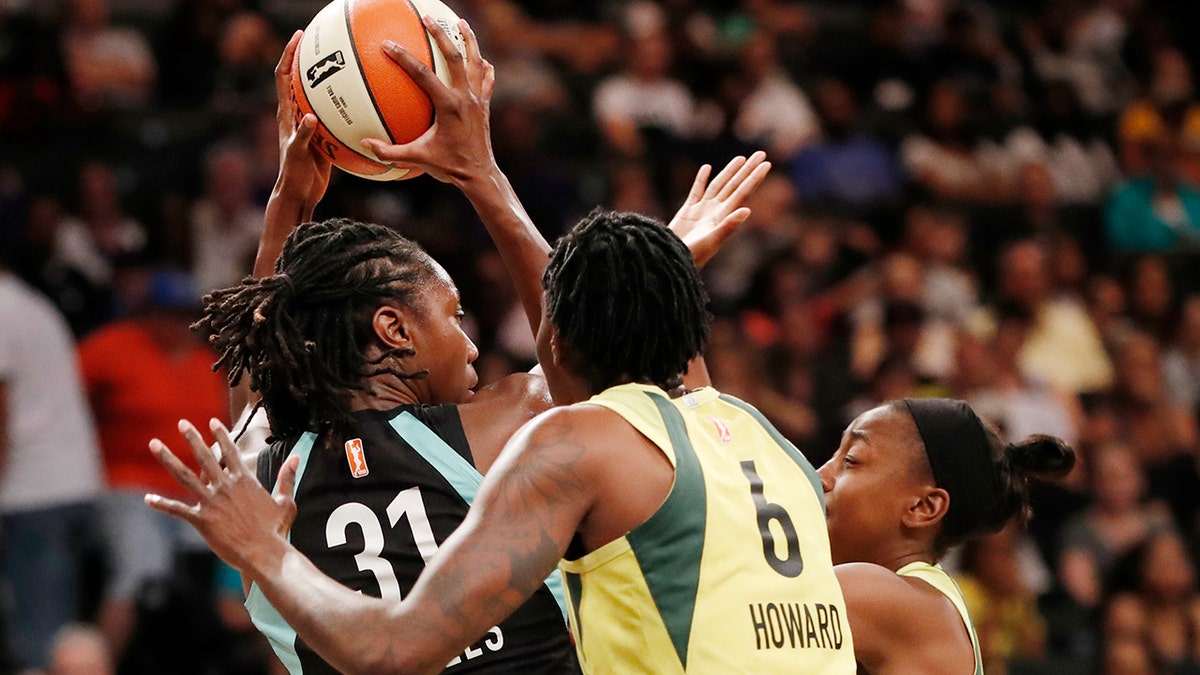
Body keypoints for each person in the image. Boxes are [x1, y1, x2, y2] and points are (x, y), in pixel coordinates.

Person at [145, 17, 853, 675]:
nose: (474, 341)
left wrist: (287, 203)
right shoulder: (510, 426)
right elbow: (587, 352)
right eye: (453, 314)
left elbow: (256, 356)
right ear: (393, 329)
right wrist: (482, 173)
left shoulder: (248, 477)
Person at [817, 397, 1075, 674]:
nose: (820, 476)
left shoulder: (896, 599)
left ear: (923, 507)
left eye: (851, 461)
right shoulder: (919, 597)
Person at [0, 254, 104, 670]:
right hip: (73, 485)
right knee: (57, 637)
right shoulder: (34, 304)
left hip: (34, 496)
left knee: (40, 647)